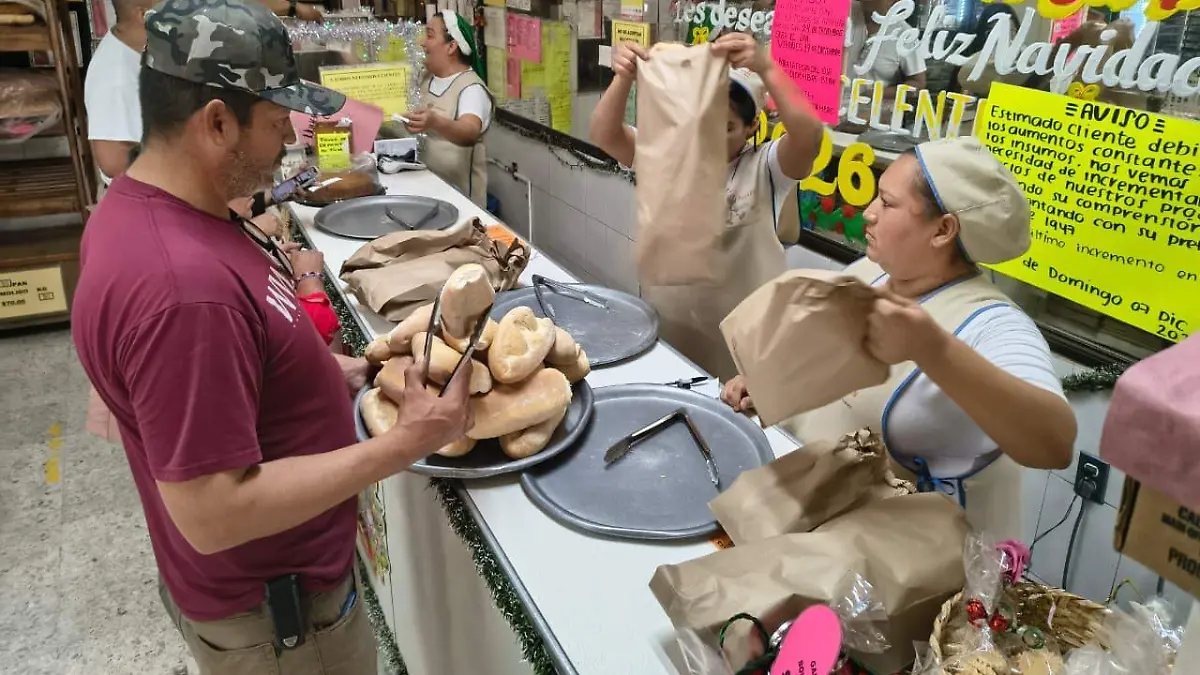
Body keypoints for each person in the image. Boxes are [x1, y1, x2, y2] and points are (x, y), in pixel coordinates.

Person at [71, 2, 474, 674]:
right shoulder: (183, 291)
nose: (291, 134)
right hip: (282, 627)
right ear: (217, 122)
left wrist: (332, 374)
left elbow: (232, 379)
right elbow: (213, 510)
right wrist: (404, 444)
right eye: (276, 118)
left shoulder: (158, 211)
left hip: (276, 602)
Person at [722, 136, 1076, 540]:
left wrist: (933, 348)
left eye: (888, 204)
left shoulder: (992, 325)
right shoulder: (871, 274)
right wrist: (766, 384)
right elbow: (825, 370)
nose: (868, 213)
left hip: (911, 567)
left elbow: (1054, 444)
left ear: (943, 230)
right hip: (813, 520)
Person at [589, 32, 823, 381]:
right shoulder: (667, 155)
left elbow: (809, 135)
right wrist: (624, 77)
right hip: (671, 330)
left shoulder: (767, 169)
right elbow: (605, 134)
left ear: (751, 127)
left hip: (741, 350)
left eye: (726, 126)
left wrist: (766, 66)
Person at [404, 10, 494, 207]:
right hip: (424, 193)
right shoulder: (425, 79)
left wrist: (435, 121)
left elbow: (469, 131)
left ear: (451, 46)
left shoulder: (470, 88)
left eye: (429, 35)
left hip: (459, 204)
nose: (422, 42)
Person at [84, 0, 155, 183]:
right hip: (150, 197)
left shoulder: (138, 47)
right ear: (144, 15)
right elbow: (112, 163)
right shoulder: (116, 78)